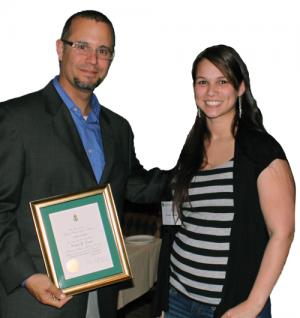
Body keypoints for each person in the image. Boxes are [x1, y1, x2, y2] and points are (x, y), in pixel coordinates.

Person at [0, 10, 169, 318]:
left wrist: (197, 168)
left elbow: (135, 185)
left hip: (99, 293)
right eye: (82, 46)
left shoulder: (118, 128)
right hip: (35, 299)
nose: (93, 59)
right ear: (60, 48)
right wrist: (27, 276)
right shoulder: (15, 120)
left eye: (103, 51)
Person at [153, 45, 295, 318]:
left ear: (240, 87)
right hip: (177, 300)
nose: (211, 91)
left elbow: (283, 233)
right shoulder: (193, 147)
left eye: (222, 81)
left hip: (230, 306)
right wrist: (164, 302)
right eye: (202, 82)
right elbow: (178, 223)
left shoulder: (260, 150)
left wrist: (252, 306)